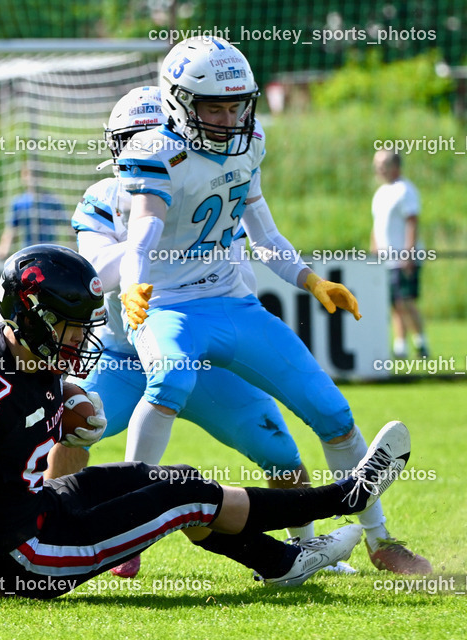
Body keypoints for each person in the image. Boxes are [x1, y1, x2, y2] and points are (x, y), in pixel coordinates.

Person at [0, 244, 411, 610]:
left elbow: (38, 404)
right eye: (71, 329)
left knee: (169, 479)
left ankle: (280, 562)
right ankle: (345, 498)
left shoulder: (31, 345)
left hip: (44, 507)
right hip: (30, 555)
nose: (80, 342)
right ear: (31, 317)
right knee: (181, 498)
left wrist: (72, 399)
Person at [113, 36, 430, 575]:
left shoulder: (249, 141)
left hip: (232, 303)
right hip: (168, 306)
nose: (228, 117)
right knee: (169, 381)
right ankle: (126, 526)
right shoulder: (157, 152)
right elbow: (142, 235)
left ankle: (381, 541)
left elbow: (265, 234)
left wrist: (310, 280)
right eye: (214, 106)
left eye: (236, 104)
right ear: (178, 102)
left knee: (331, 412)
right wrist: (132, 285)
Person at [47, 86, 341, 579]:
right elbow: (98, 270)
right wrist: (159, 236)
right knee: (73, 429)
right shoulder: (102, 199)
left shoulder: (204, 180)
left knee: (278, 448)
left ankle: (310, 547)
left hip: (200, 353)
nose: (147, 151)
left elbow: (256, 238)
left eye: (152, 137)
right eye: (134, 139)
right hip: (125, 358)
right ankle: (58, 531)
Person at [371, 150, 428, 359]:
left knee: (406, 300)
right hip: (386, 260)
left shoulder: (405, 190)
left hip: (402, 258)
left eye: (382, 164)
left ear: (395, 166)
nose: (378, 168)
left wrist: (408, 253)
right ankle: (400, 345)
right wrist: (374, 250)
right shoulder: (380, 193)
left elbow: (412, 221)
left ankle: (421, 343)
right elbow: (376, 226)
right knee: (395, 303)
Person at [0, 164, 65, 261]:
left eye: (36, 174)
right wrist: (3, 250)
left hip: (50, 250)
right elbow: (11, 229)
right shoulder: (19, 202)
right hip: (28, 251)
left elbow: (67, 225)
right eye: (29, 174)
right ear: (23, 177)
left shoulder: (52, 200)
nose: (33, 178)